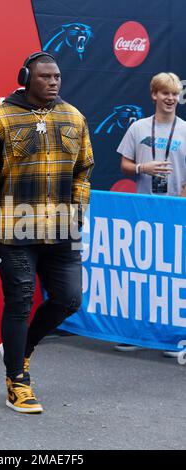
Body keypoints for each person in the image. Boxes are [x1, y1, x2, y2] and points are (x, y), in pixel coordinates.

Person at [0, 52, 94, 413]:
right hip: (11, 227)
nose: (53, 82)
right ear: (26, 77)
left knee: (70, 299)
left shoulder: (74, 117)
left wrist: (77, 211)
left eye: (57, 76)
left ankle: (20, 348)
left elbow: (84, 170)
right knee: (20, 302)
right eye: (45, 76)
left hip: (61, 228)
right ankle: (17, 383)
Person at [116, 72, 186, 357]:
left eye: (175, 94)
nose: (170, 98)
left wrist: (180, 202)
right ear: (154, 95)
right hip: (143, 210)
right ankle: (137, 333)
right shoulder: (138, 127)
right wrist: (143, 169)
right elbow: (124, 165)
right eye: (164, 93)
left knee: (173, 275)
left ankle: (173, 337)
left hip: (175, 210)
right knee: (142, 273)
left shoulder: (185, 129)